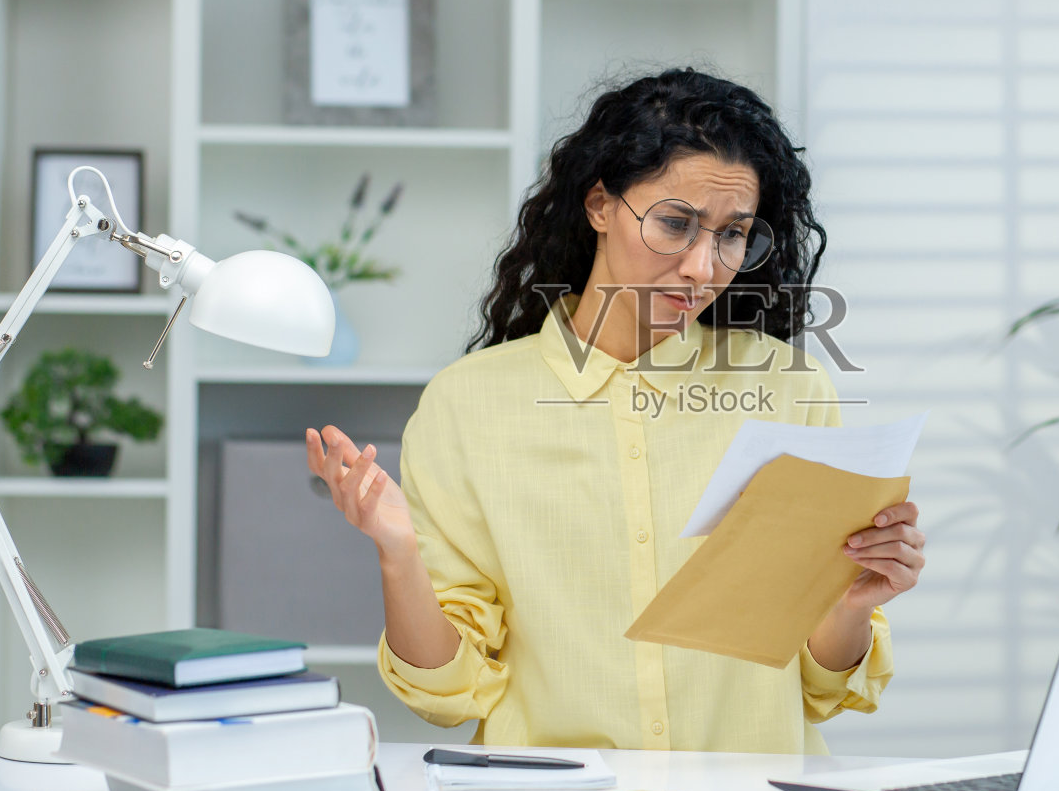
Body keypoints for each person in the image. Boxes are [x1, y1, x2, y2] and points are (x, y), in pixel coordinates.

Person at [306, 68, 925, 754]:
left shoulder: (789, 390)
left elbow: (823, 688)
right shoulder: (467, 405)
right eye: (676, 224)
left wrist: (852, 602)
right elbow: (448, 696)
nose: (703, 268)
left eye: (733, 235)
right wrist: (398, 554)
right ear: (600, 204)